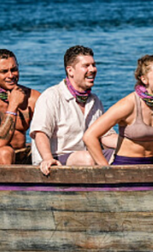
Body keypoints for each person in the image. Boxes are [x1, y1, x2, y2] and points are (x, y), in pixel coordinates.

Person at [30, 46, 118, 175]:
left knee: (126, 154)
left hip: (87, 156)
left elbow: (106, 136)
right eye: (86, 66)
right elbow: (40, 133)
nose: (92, 70)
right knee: (87, 158)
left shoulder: (94, 101)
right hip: (55, 158)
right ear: (70, 70)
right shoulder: (51, 96)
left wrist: (134, 144)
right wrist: (47, 158)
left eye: (93, 65)